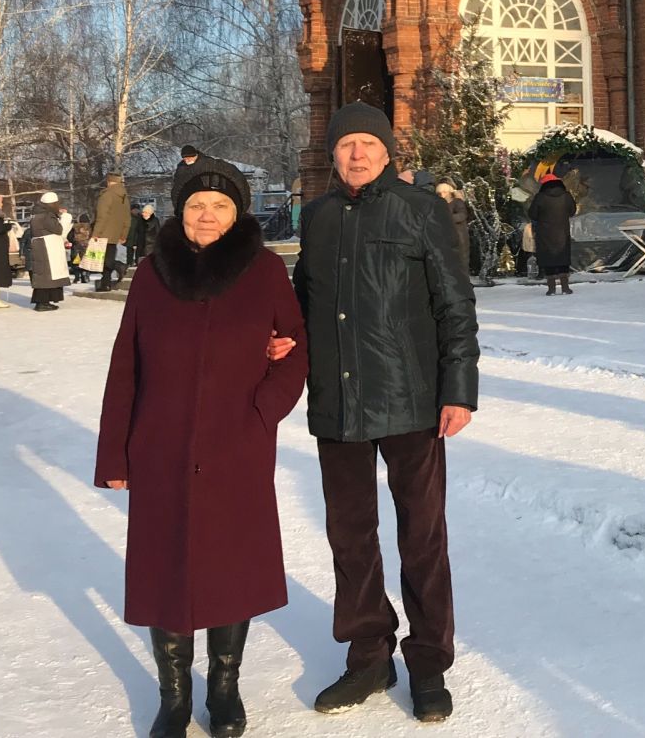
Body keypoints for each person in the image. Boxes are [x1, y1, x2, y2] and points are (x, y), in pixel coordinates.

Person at [96, 156, 308, 738]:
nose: (207, 216)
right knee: (165, 568)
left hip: (236, 445)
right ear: (179, 211)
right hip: (159, 444)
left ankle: (224, 688)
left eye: (219, 206)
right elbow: (125, 368)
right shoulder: (150, 274)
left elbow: (296, 349)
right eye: (195, 205)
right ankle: (174, 698)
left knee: (229, 565)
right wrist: (114, 452)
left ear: (237, 214)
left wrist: (261, 414)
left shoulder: (264, 270)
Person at [294, 101, 478, 720]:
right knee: (350, 536)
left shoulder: (421, 209)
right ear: (333, 154)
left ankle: (428, 662)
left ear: (387, 150)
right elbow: (302, 303)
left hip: (413, 399)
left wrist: (459, 388)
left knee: (422, 537)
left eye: (367, 144)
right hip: (337, 402)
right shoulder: (316, 217)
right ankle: (369, 657)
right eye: (346, 144)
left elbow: (455, 304)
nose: (357, 154)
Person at [527, 171, 577, 296]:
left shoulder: (540, 197)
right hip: (562, 232)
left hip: (544, 234)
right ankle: (565, 288)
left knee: (548, 259)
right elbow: (572, 211)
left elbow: (532, 214)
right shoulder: (566, 196)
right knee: (563, 258)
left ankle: (551, 289)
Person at [27, 191, 70, 313]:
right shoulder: (46, 215)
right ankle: (42, 302)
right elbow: (58, 229)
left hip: (42, 246)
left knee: (45, 274)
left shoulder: (37, 213)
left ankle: (45, 301)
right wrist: (65, 218)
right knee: (47, 275)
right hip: (47, 247)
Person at [94, 172, 132, 291]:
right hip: (115, 233)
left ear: (108, 182)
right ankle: (106, 283)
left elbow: (102, 216)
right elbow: (127, 217)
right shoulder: (124, 196)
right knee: (107, 257)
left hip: (104, 232)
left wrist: (96, 233)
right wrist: (124, 233)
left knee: (101, 259)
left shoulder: (107, 195)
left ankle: (118, 267)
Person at [434, 181, 473, 275]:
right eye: (439, 193)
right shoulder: (439, 203)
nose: (442, 194)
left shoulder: (457, 202)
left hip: (459, 236)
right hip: (446, 236)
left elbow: (462, 215)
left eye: (444, 192)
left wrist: (446, 218)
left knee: (461, 261)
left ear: (449, 192)